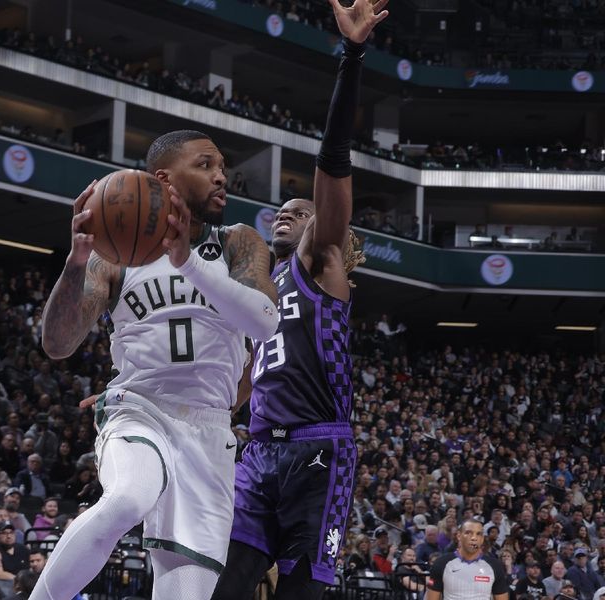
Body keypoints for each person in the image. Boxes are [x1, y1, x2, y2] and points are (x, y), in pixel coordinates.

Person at [32, 126, 278, 600]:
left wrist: (189, 263)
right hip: (139, 408)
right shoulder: (114, 254)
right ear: (164, 179)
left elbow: (265, 323)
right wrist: (76, 260)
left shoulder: (239, 243)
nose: (221, 176)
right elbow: (58, 345)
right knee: (128, 496)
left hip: (209, 432)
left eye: (222, 166)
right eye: (205, 165)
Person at [211, 1, 387, 598]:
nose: (287, 211)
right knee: (225, 582)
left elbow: (333, 160)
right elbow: (243, 378)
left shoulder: (322, 262)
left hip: (319, 450)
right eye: (281, 210)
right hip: (259, 451)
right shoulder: (259, 289)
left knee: (300, 592)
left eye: (301, 210)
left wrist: (352, 56)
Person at [426, 519, 509, 600]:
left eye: (478, 534)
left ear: (482, 539)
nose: (474, 538)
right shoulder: (441, 563)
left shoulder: (495, 566)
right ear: (459, 536)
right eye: (469, 533)